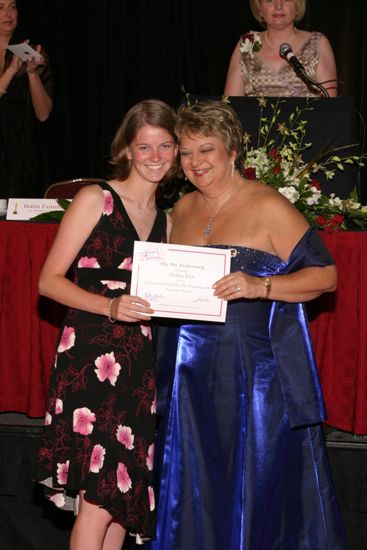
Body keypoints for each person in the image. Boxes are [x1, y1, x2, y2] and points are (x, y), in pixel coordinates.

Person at [146, 100, 347, 549]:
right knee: (194, 486)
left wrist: (262, 287)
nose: (195, 162)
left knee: (249, 482)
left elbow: (326, 276)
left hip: (253, 377)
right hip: (188, 377)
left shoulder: (267, 204)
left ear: (233, 150)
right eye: (186, 152)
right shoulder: (179, 209)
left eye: (207, 150)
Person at [33, 99, 179, 550]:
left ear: (177, 150)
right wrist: (111, 307)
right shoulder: (96, 198)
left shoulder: (167, 219)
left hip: (138, 366)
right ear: (127, 150)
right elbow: (48, 282)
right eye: (144, 146)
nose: (155, 156)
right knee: (98, 499)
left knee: (122, 502)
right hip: (91, 358)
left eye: (165, 145)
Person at [224, 0, 337, 97]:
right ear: (259, 8)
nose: (278, 6)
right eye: (269, 0)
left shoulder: (317, 43)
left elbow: (330, 108)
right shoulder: (247, 43)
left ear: (297, 6)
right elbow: (230, 108)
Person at [0, 0, 53, 198]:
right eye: (1, 7)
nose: (8, 13)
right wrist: (12, 69)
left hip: (24, 158)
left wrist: (32, 73)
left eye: (13, 7)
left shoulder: (29, 50)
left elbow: (43, 114)